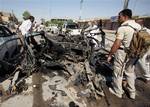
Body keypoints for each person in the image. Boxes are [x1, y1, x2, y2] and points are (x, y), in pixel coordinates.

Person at [107, 9, 141, 99]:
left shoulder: (123, 28)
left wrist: (110, 55)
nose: (118, 18)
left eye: (119, 16)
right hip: (135, 53)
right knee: (130, 72)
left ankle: (117, 91)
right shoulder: (138, 26)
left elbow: (117, 44)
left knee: (118, 72)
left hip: (123, 53)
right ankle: (132, 93)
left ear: (125, 17)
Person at [136, 19, 150, 83]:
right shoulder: (148, 30)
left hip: (144, 49)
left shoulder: (139, 31)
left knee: (140, 61)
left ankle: (147, 77)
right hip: (147, 49)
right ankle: (147, 76)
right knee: (147, 63)